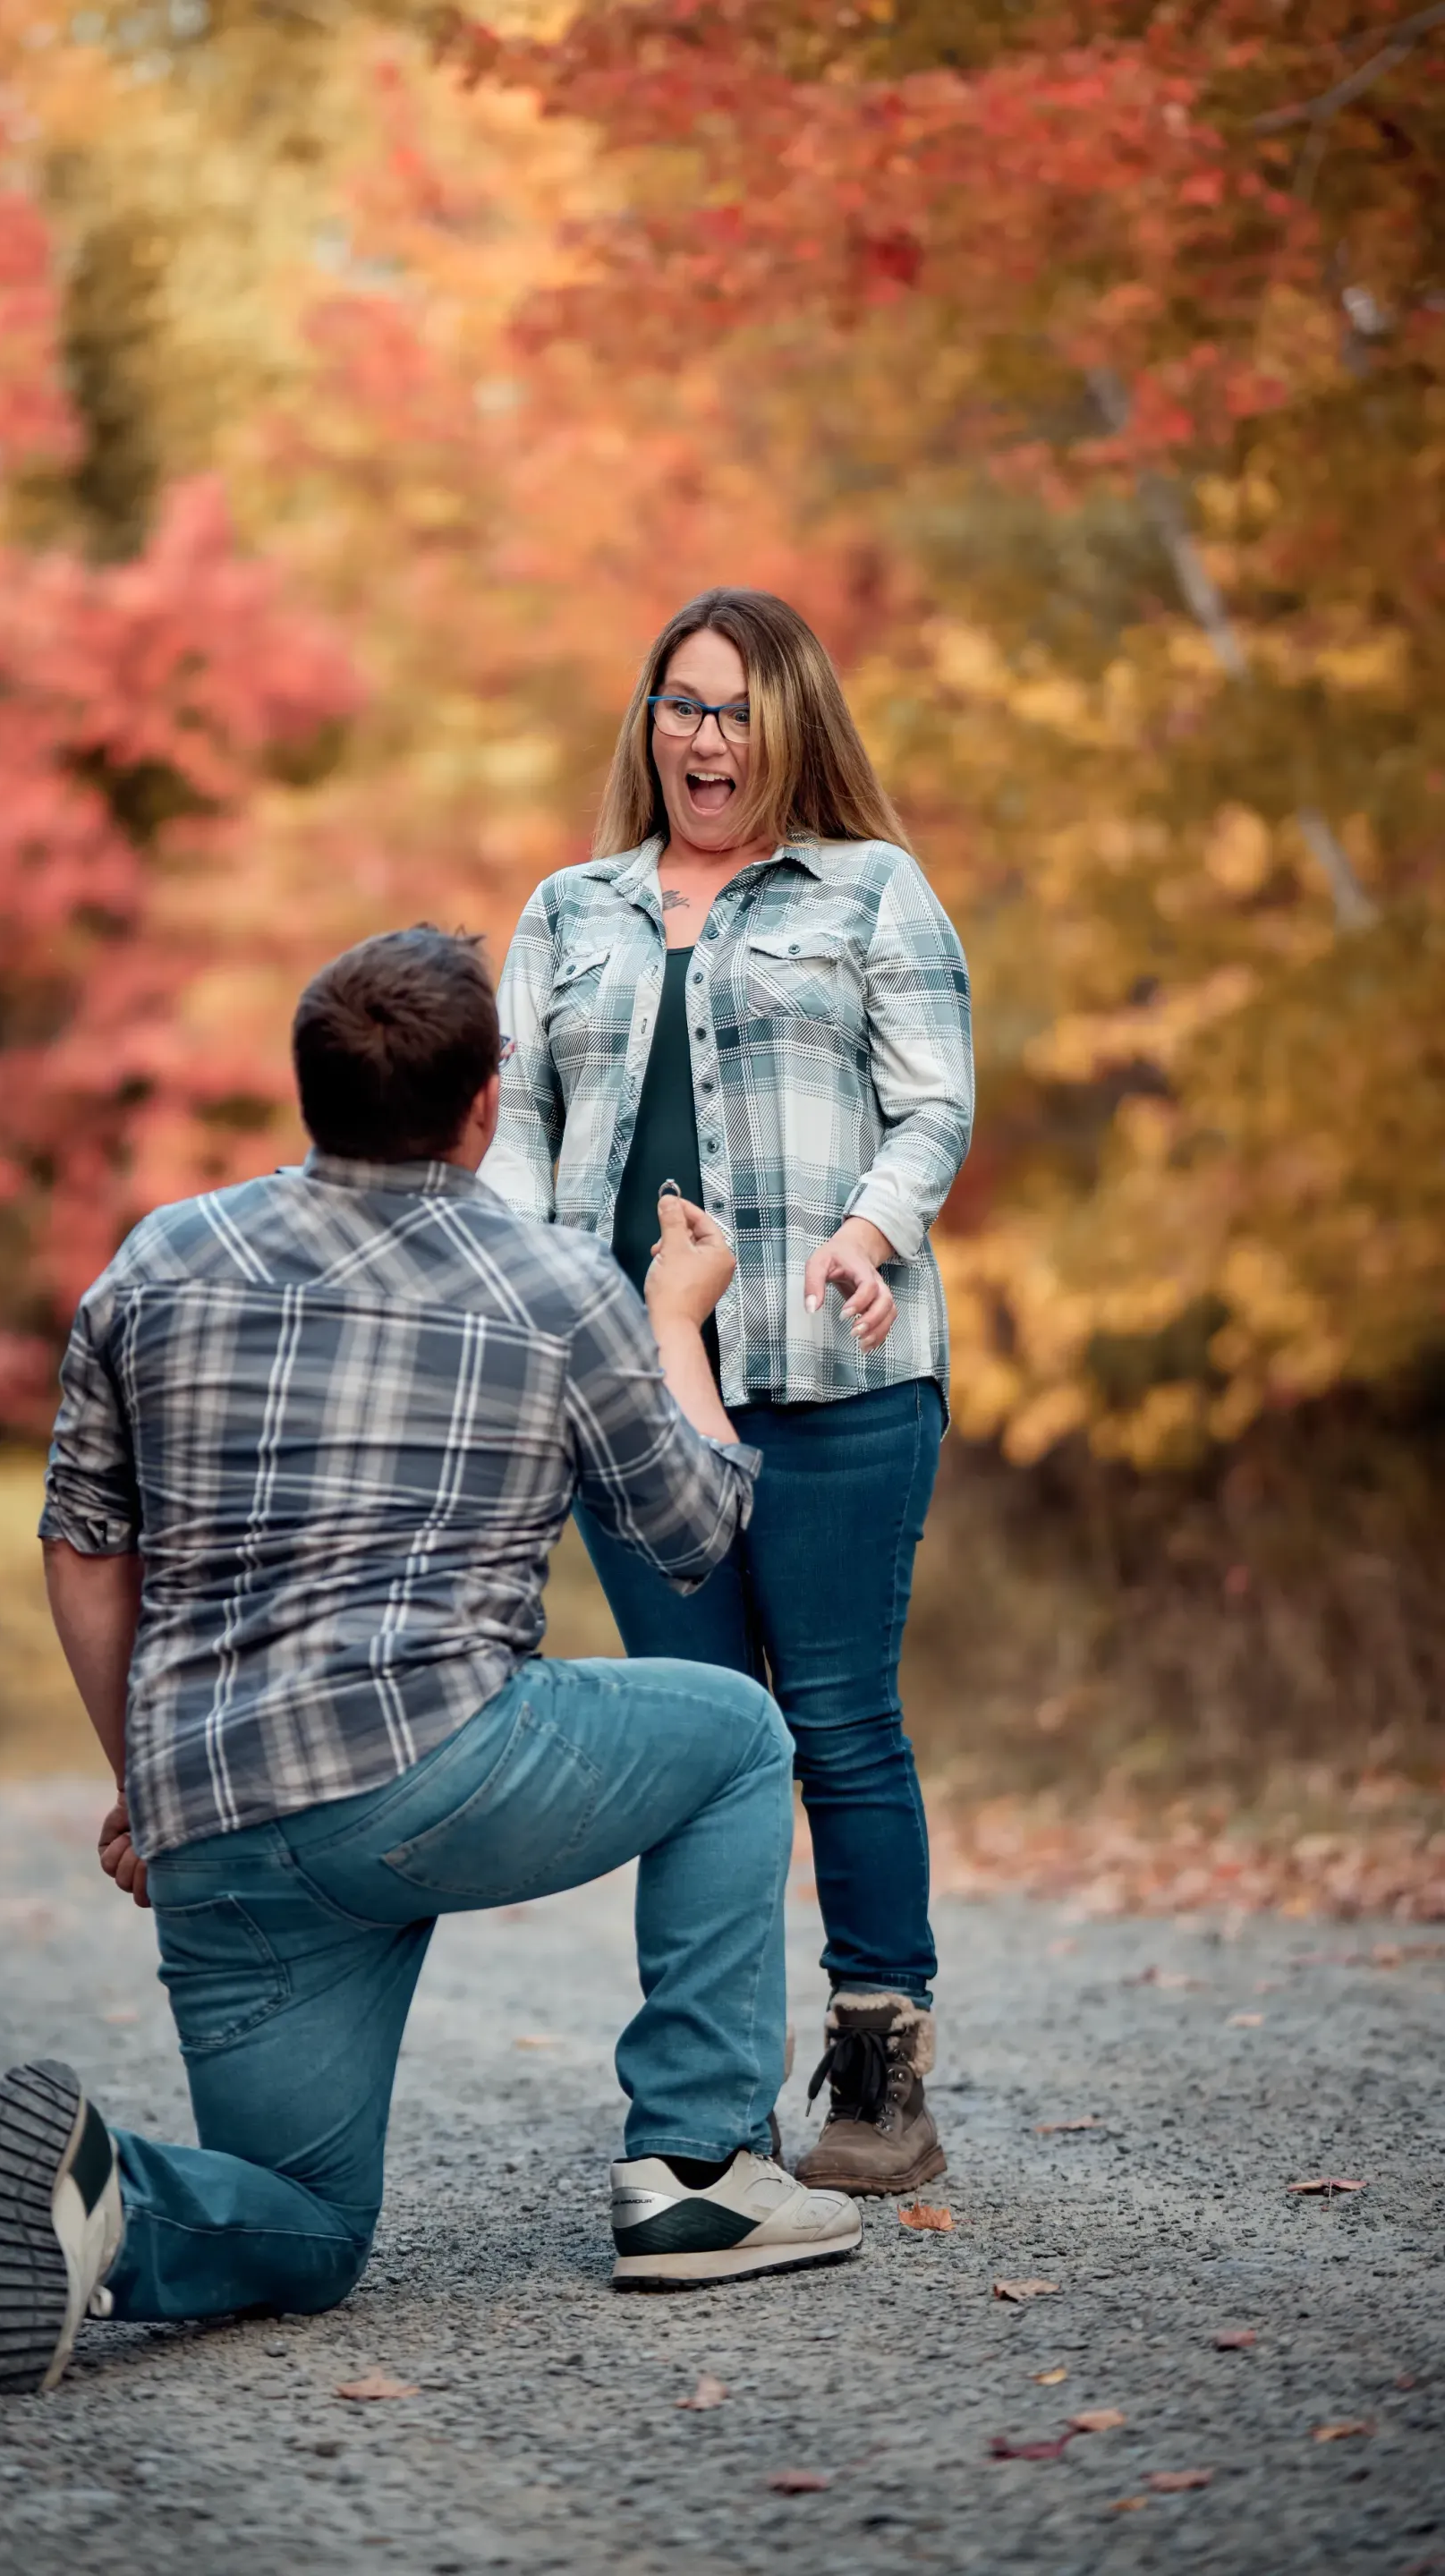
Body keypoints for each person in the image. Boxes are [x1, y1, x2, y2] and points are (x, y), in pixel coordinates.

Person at [0, 928, 861, 2398]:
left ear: (309, 1089)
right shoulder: (553, 1281)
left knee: (310, 2229)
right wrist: (676, 1320)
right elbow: (693, 1530)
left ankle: (108, 2200)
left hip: (221, 1820)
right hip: (438, 1766)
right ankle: (698, 2167)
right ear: (487, 1100)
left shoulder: (158, 1256)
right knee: (739, 1734)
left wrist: (147, 1783)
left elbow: (80, 1544)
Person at [483, 590, 974, 2195]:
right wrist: (502, 1295)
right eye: (684, 707)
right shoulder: (569, 910)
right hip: (628, 1395)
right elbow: (524, 1143)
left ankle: (879, 2067)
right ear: (650, 724)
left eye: (739, 710)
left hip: (839, 1373)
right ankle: (707, 2109)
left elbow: (934, 1106)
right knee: (700, 1735)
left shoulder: (873, 891)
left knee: (835, 1718)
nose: (708, 738)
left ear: (794, 726)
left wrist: (866, 1229)